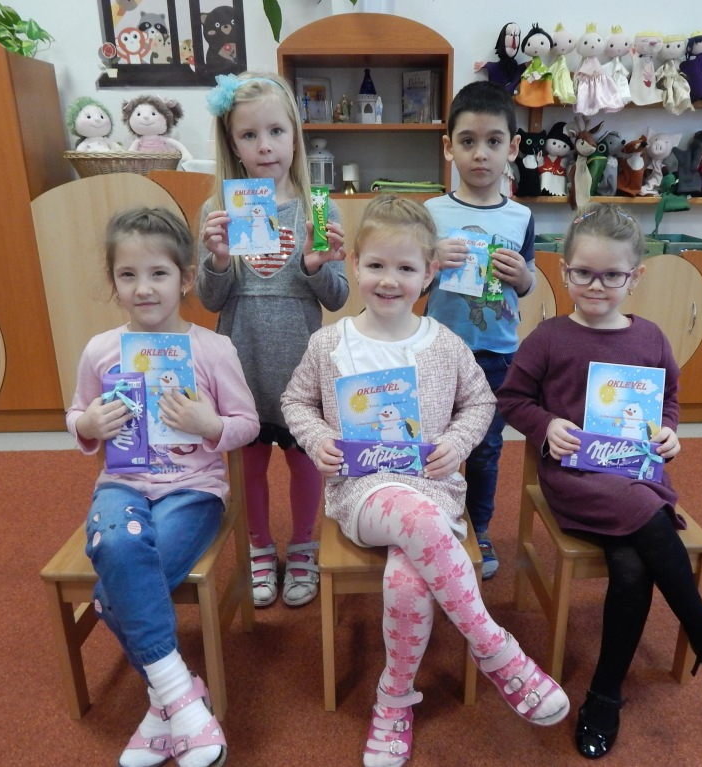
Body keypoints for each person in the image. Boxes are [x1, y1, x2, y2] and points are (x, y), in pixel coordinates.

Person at [281, 195, 569, 767]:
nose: (389, 280)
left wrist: (456, 444)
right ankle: (494, 648)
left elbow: (480, 401)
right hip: (361, 491)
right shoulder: (329, 343)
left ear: (430, 272)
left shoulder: (444, 343)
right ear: (354, 264)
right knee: (412, 521)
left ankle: (394, 700)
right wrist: (317, 439)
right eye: (376, 265)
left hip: (433, 486)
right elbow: (296, 400)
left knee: (409, 582)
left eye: (406, 267)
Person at [496, 203, 702, 761]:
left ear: (635, 276)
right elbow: (512, 400)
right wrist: (547, 426)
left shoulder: (651, 339)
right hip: (576, 475)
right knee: (643, 510)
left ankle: (604, 695)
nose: (596, 286)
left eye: (612, 275)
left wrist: (669, 434)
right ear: (564, 271)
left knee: (632, 568)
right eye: (583, 273)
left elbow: (668, 402)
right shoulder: (549, 337)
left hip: (634, 473)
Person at [67, 207, 260, 767]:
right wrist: (88, 424)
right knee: (114, 541)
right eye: (128, 275)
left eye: (158, 273)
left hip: (193, 491)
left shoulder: (213, 349)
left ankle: (161, 705)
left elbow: (247, 423)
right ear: (113, 282)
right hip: (122, 485)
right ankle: (180, 696)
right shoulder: (101, 350)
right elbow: (77, 413)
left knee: (113, 593)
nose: (144, 288)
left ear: (186, 277)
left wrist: (210, 425)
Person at [197, 72, 349, 609]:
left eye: (276, 132)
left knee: (306, 462)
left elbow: (338, 297)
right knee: (250, 464)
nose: (265, 146)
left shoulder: (318, 207)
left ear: (295, 136)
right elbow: (210, 300)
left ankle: (304, 545)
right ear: (232, 144)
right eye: (249, 135)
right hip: (242, 365)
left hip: (302, 366)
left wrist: (315, 265)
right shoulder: (218, 212)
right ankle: (259, 546)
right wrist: (219, 260)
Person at [423, 79, 536, 579]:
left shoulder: (522, 215)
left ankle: (481, 528)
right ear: (449, 147)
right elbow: (412, 281)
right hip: (438, 349)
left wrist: (523, 276)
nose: (480, 154)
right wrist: (431, 262)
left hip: (496, 353)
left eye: (493, 141)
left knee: (487, 447)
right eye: (467, 141)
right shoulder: (432, 212)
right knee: (435, 441)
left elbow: (528, 282)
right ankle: (437, 519)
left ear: (512, 147)